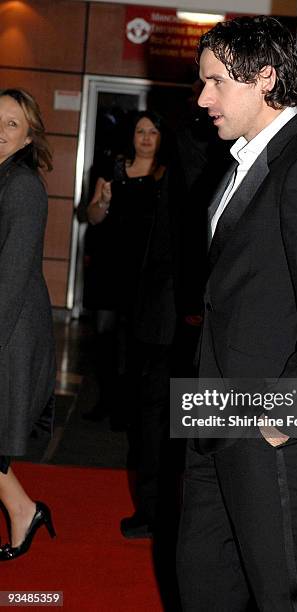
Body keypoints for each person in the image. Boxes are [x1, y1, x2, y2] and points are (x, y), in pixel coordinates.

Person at [176, 16, 297, 611]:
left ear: (264, 77)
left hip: (269, 427)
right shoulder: (243, 162)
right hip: (215, 413)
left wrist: (280, 419)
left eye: (215, 83)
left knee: (281, 594)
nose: (202, 98)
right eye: (201, 82)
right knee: (204, 581)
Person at [86, 110, 185, 540]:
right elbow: (90, 216)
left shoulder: (169, 175)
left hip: (150, 281)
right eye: (140, 131)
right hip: (114, 266)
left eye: (152, 131)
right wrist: (103, 200)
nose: (145, 138)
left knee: (141, 356)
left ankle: (126, 404)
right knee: (108, 336)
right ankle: (109, 401)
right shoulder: (113, 169)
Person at [0, 88, 56, 560]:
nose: (0, 132)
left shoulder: (21, 186)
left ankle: (24, 511)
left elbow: (12, 276)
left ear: (29, 135)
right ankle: (24, 510)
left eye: (12, 124)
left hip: (11, 327)